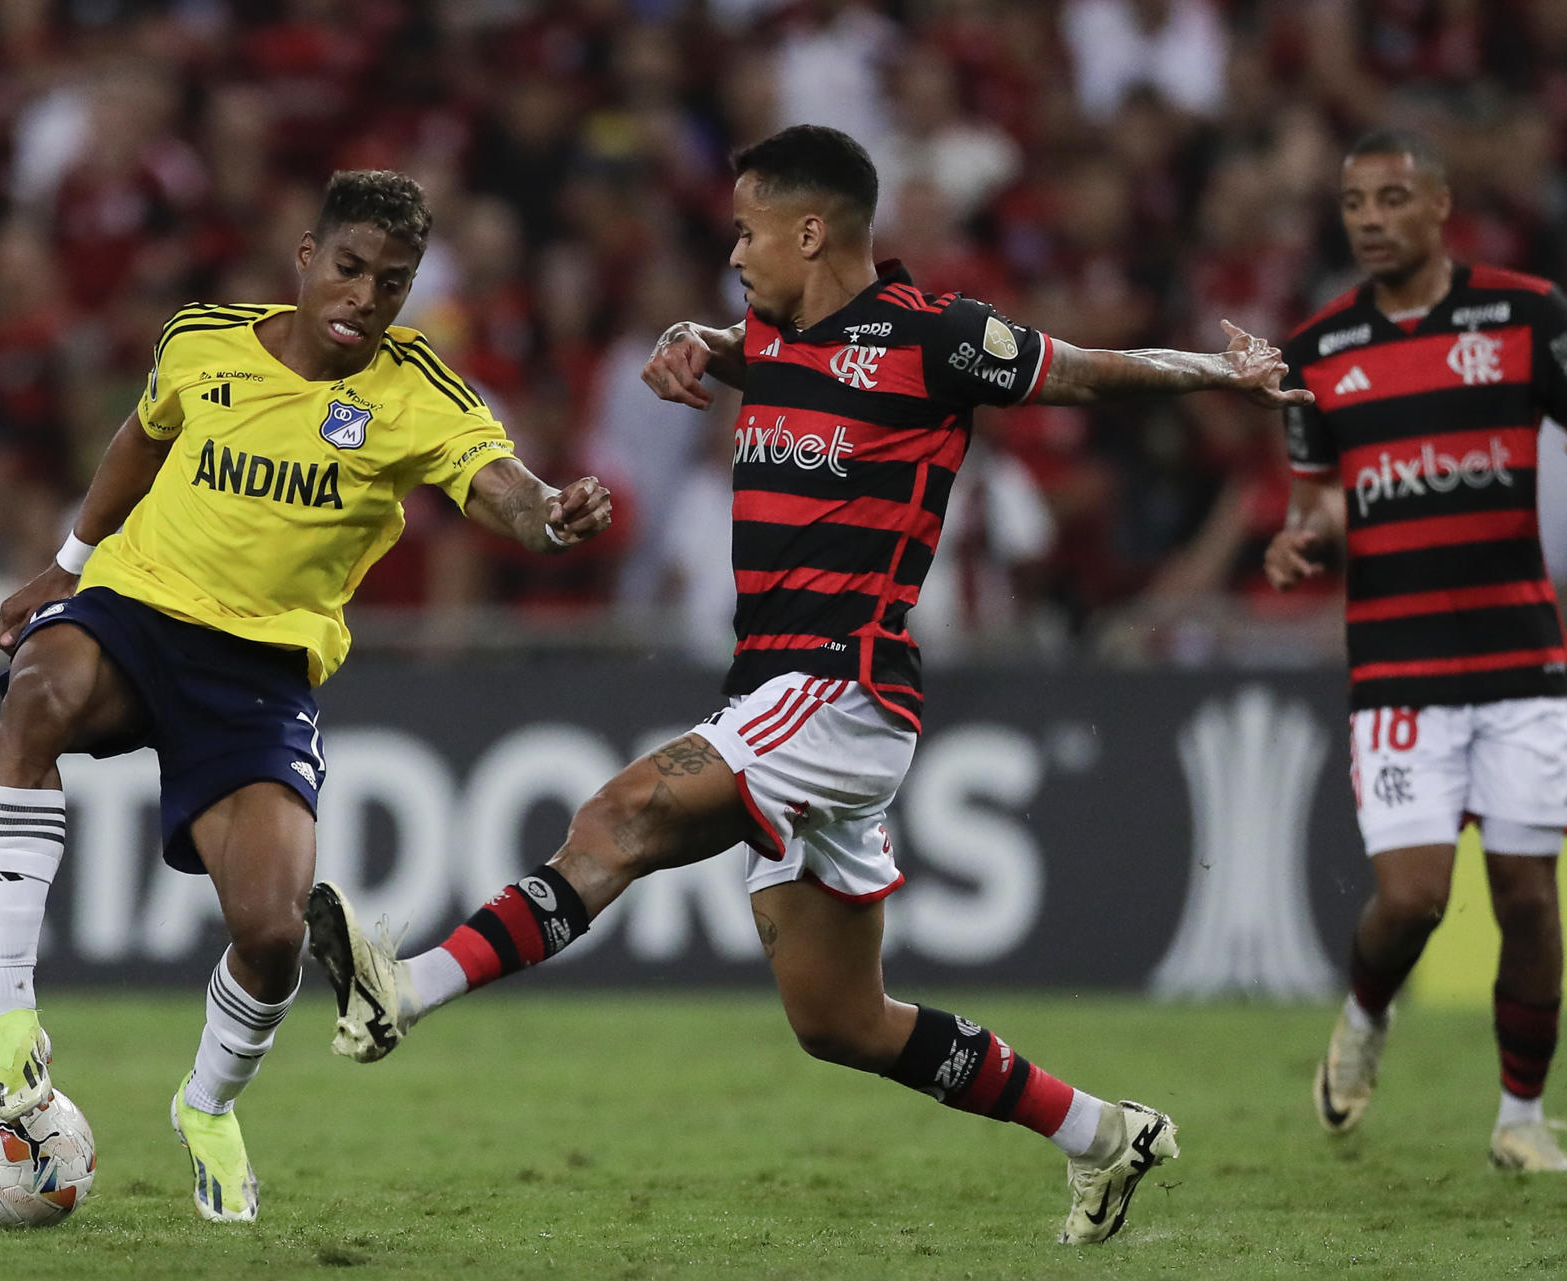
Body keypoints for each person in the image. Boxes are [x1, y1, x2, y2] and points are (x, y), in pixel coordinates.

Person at [301, 125, 1305, 1246]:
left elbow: (1082, 371)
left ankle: (405, 991)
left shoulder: (936, 339)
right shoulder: (774, 338)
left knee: (618, 816)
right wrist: (691, 337)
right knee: (841, 1021)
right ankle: (1105, 1136)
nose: (734, 251)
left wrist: (1226, 370)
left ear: (810, 229)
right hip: (784, 690)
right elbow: (740, 343)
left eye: (746, 229)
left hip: (842, 682)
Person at [0, 170, 611, 1222]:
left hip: (261, 671)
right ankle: (8, 1013)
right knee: (37, 691)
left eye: (393, 283)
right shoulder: (204, 340)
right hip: (137, 611)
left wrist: (550, 513)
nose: (366, 299)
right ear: (307, 259)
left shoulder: (417, 394)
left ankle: (208, 1106)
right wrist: (70, 560)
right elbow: (144, 435)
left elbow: (501, 486)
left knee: (271, 933)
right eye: (351, 269)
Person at [1265, 129, 1567, 1174]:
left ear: (1440, 207)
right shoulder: (1317, 353)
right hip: (1398, 665)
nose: (1370, 219)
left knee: (1527, 893)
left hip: (1523, 663)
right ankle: (1367, 1014)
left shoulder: (1526, 315)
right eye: (1353, 203)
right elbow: (1323, 499)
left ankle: (1521, 1119)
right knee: (1414, 898)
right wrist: (1303, 538)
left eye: (1391, 198)